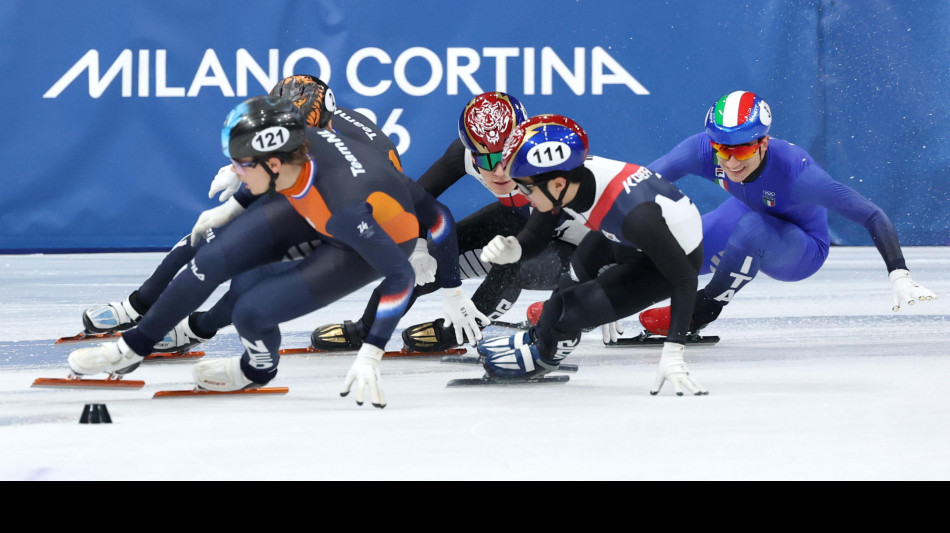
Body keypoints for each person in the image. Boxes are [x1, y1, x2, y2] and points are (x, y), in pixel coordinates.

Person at [68, 95, 478, 408]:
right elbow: (259, 175)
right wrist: (229, 208)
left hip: (361, 243)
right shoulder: (302, 147)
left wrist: (374, 350)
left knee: (251, 310)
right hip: (313, 204)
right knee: (209, 260)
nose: (237, 171)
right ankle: (132, 348)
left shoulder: (345, 209)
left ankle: (256, 368)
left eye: (241, 165)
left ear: (275, 165)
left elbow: (404, 273)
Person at [78, 75, 430, 356]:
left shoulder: (373, 149)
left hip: (338, 217)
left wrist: (415, 242)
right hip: (293, 186)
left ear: (324, 122)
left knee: (253, 282)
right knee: (209, 237)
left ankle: (196, 329)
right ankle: (138, 305)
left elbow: (402, 202)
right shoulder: (287, 140)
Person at [636, 90, 938, 338]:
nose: (730, 162)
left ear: (763, 143)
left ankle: (703, 309)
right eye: (721, 148)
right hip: (746, 213)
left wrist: (898, 272)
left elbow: (871, 215)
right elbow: (636, 186)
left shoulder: (800, 176)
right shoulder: (703, 150)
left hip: (801, 246)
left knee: (752, 228)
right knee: (671, 247)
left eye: (741, 151)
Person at [310, 91, 593, 353]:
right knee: (426, 260)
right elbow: (415, 199)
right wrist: (419, 247)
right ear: (469, 150)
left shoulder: (547, 161)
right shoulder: (461, 155)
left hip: (582, 253)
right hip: (523, 226)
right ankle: (366, 327)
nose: (498, 171)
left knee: (512, 263)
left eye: (506, 156)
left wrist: (603, 286)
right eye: (487, 158)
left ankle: (464, 330)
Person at [476, 114, 708, 396]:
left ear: (558, 184)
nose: (521, 194)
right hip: (625, 237)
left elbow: (684, 278)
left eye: (524, 187)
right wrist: (515, 248)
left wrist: (673, 352)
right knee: (568, 281)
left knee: (568, 312)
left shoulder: (635, 216)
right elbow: (536, 234)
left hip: (663, 260)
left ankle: (544, 357)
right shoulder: (568, 178)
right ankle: (540, 338)